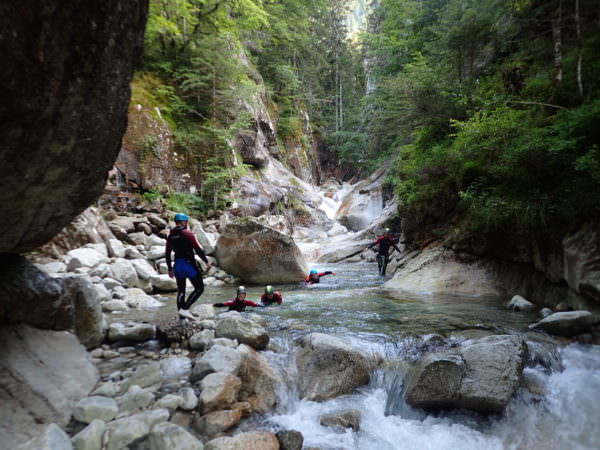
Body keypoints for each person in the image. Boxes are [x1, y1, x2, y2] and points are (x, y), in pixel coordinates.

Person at [165, 212, 211, 317]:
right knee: (199, 288)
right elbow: (197, 249)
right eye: (186, 221)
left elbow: (167, 253)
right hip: (188, 265)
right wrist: (206, 261)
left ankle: (181, 316)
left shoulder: (171, 236)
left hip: (177, 265)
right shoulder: (187, 233)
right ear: (184, 222)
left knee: (181, 291)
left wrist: (169, 269)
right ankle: (185, 309)